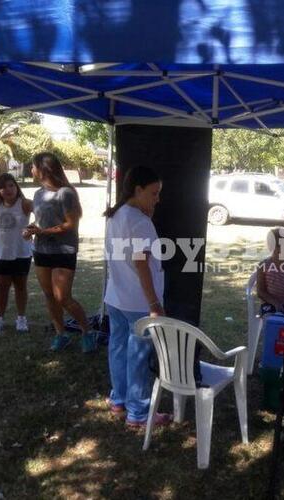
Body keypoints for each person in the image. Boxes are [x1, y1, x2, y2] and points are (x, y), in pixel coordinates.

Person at [103, 165, 171, 428]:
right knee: (138, 355)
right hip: (137, 301)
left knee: (118, 348)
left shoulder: (115, 215)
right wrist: (154, 303)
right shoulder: (140, 222)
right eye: (153, 193)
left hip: (116, 295)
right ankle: (140, 412)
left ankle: (119, 400)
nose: (157, 199)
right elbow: (141, 263)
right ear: (138, 189)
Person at [23, 152, 96, 353]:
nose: (31, 170)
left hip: (64, 250)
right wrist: (31, 229)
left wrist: (43, 231)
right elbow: (41, 222)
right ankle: (60, 334)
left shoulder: (66, 193)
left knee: (63, 297)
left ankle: (87, 332)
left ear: (43, 169)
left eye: (33, 166)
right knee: (49, 295)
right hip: (42, 250)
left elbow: (71, 224)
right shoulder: (38, 194)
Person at [0, 173, 34, 334]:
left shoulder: (24, 203)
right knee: (2, 286)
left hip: (21, 252)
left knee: (20, 286)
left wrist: (32, 228)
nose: (8, 189)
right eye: (3, 187)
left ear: (16, 187)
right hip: (2, 253)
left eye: (11, 185)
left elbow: (44, 213)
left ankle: (21, 318)